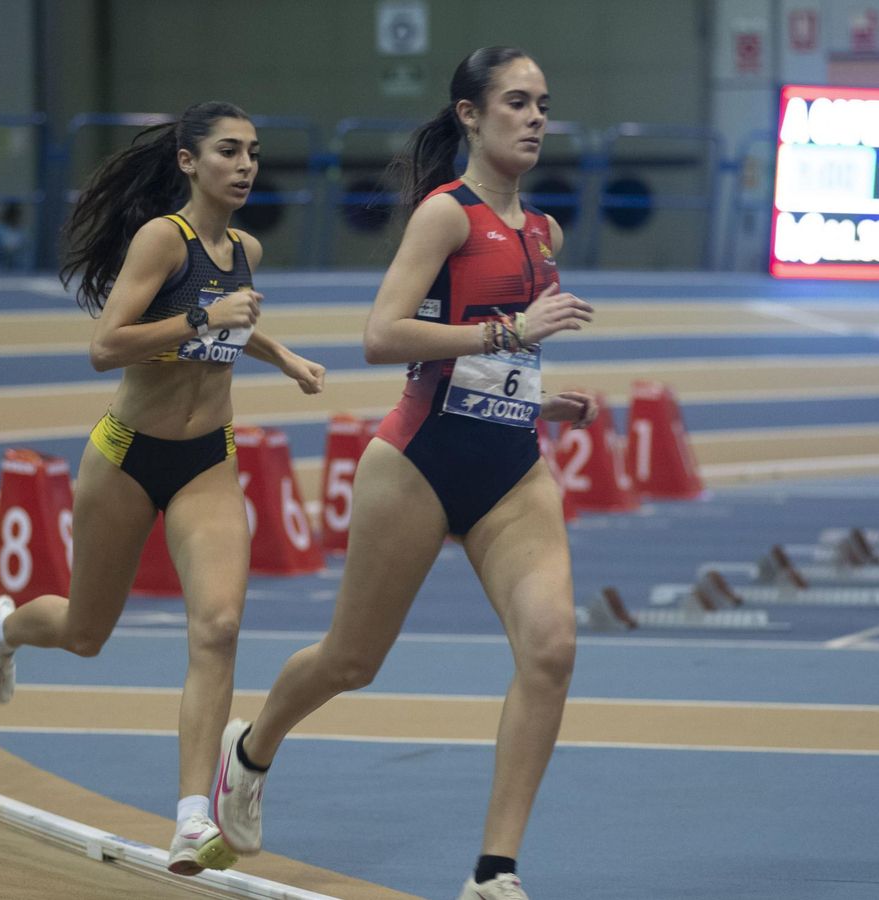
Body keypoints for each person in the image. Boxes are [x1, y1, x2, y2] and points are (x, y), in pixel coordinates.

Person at [208, 48, 597, 900]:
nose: (535, 119)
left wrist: (535, 399)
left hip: (510, 468)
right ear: (469, 114)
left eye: (542, 105)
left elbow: (499, 350)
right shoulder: (445, 216)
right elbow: (381, 337)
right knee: (353, 660)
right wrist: (512, 334)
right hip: (416, 464)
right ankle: (250, 750)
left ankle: (494, 872)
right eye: (516, 103)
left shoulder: (544, 232)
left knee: (553, 648)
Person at [0, 101, 326, 877]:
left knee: (220, 625)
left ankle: (191, 819)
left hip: (208, 458)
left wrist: (282, 355)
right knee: (85, 633)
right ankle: (6, 630)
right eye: (228, 151)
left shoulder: (245, 248)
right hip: (126, 456)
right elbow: (107, 346)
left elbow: (235, 324)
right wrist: (204, 314)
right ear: (189, 161)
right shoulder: (161, 240)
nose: (245, 166)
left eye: (254, 153)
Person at [0, 201, 31, 271]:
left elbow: (26, 253)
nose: (15, 218)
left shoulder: (22, 232)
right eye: (13, 215)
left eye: (17, 216)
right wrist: (3, 248)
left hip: (18, 270)